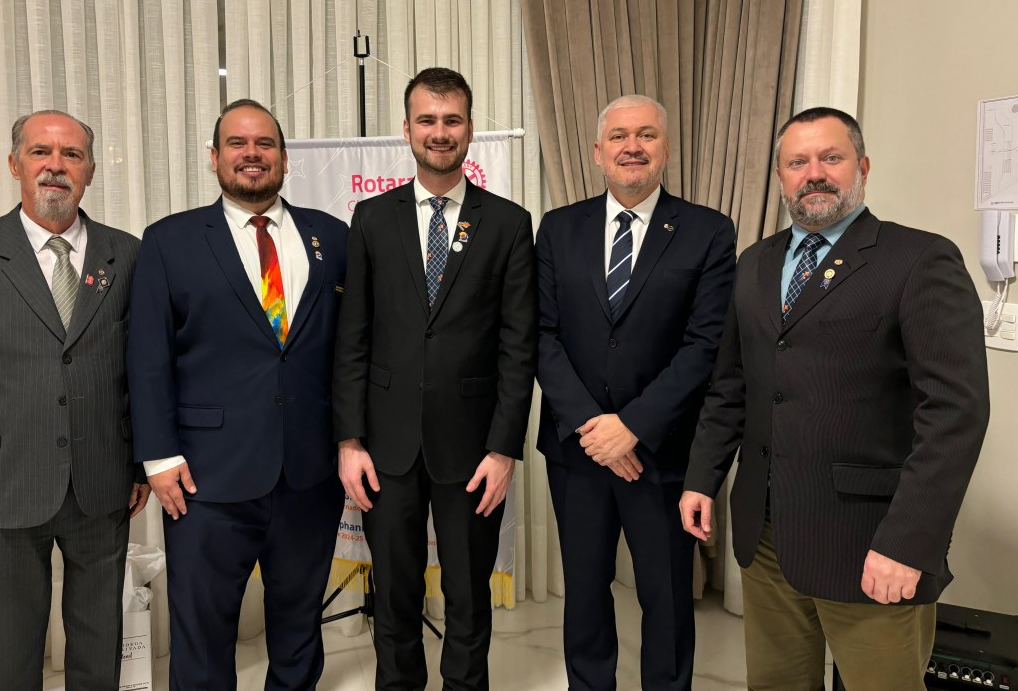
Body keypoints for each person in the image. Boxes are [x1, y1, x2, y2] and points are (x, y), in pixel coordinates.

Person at [680, 107, 989, 690]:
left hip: (870, 545)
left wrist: (909, 542)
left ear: (863, 167)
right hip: (767, 539)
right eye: (797, 162)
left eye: (831, 158)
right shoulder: (755, 265)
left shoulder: (919, 260)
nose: (813, 173)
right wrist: (702, 477)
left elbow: (955, 415)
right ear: (780, 177)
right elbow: (733, 386)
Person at [0, 110, 149, 691]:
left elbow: (143, 372)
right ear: (15, 163)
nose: (56, 165)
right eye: (41, 152)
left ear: (91, 171)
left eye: (71, 155)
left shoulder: (128, 256)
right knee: (12, 646)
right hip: (2, 485)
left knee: (99, 641)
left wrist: (141, 463)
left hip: (103, 481)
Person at [127, 99, 346, 691]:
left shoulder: (333, 237)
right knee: (202, 632)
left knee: (300, 624)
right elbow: (147, 358)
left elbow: (350, 352)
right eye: (237, 144)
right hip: (203, 477)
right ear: (215, 157)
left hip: (309, 472)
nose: (252, 155)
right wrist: (158, 457)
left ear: (283, 156)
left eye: (265, 144)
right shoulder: (170, 241)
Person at [333, 67, 537, 691]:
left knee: (469, 596)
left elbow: (517, 347)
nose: (439, 132)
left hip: (473, 449)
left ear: (469, 129)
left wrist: (504, 449)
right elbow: (353, 338)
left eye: (451, 121)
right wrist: (348, 441)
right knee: (393, 597)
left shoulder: (507, 223)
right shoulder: (370, 218)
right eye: (428, 120)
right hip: (386, 448)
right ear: (407, 130)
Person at [535, 95, 736, 690]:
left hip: (664, 453)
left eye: (646, 134)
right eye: (619, 136)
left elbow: (705, 346)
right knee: (586, 594)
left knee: (668, 597)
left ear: (665, 150)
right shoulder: (558, 227)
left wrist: (634, 427)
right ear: (598, 153)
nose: (632, 146)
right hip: (579, 451)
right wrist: (596, 429)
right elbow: (541, 336)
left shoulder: (707, 231)